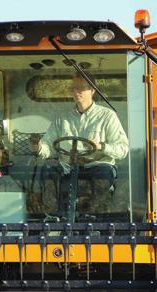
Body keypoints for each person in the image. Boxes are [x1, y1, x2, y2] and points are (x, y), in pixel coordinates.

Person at [31, 72, 129, 215]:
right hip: (68, 168)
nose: (77, 92)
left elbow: (123, 149)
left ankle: (98, 220)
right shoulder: (62, 119)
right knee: (48, 171)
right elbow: (48, 147)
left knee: (102, 174)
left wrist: (101, 146)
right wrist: (38, 147)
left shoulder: (107, 116)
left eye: (81, 88)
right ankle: (56, 219)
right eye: (74, 88)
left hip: (96, 166)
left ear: (92, 90)